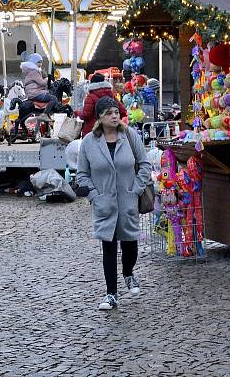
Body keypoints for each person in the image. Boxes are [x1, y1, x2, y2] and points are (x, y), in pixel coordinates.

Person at [76, 96, 152, 310]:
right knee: (108, 247)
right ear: (100, 117)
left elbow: (144, 164)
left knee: (130, 244)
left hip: (128, 200)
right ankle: (111, 294)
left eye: (117, 112)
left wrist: (136, 189)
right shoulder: (89, 142)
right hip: (104, 203)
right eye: (109, 113)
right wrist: (93, 195)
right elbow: (82, 174)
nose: (114, 116)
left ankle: (128, 273)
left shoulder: (129, 135)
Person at [20, 53, 57, 120]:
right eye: (38, 62)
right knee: (53, 98)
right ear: (33, 62)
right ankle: (45, 114)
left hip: (32, 92)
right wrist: (48, 80)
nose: (40, 64)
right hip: (35, 93)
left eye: (41, 62)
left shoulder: (29, 70)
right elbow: (41, 83)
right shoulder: (34, 71)